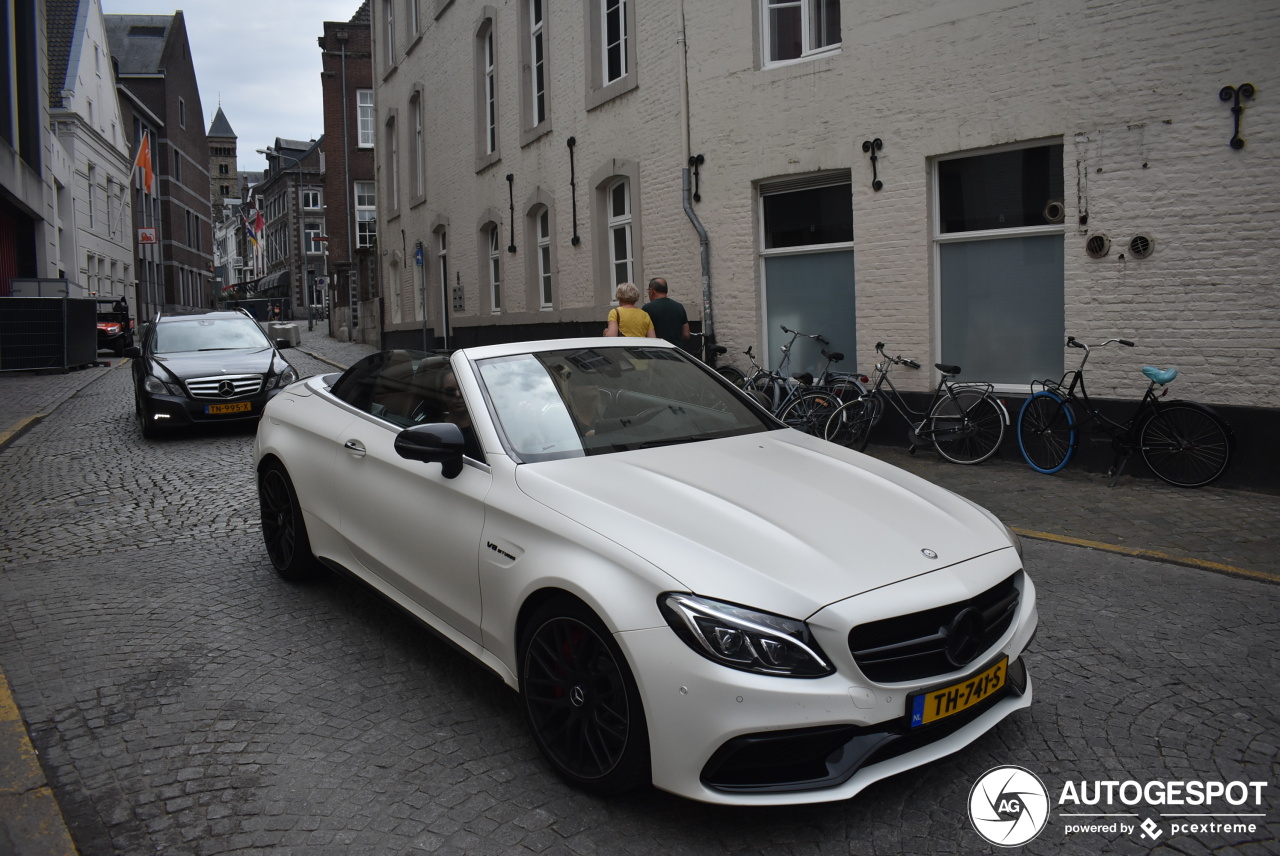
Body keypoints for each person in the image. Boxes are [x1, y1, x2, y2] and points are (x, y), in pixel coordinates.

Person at [642, 277, 691, 348]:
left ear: (651, 291)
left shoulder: (647, 308)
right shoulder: (679, 307)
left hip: (657, 352)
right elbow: (686, 334)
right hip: (677, 352)